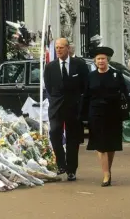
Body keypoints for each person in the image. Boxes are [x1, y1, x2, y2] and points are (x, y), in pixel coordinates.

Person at [80, 46, 128, 187]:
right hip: (96, 113)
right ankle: (106, 173)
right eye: (98, 59)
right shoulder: (90, 76)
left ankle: (108, 169)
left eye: (103, 59)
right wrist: (83, 115)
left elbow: (125, 92)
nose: (101, 61)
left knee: (111, 144)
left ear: (108, 60)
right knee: (100, 145)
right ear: (95, 61)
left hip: (113, 113)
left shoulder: (116, 74)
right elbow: (86, 96)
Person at [44, 38, 89, 181]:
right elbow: (49, 87)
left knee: (72, 139)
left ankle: (71, 169)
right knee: (54, 132)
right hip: (56, 107)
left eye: (61, 47)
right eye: (57, 47)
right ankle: (61, 164)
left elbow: (85, 85)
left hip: (74, 107)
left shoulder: (79, 65)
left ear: (68, 48)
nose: (58, 50)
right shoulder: (50, 67)